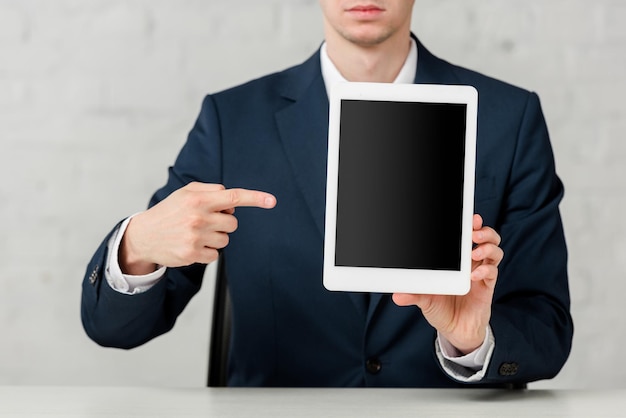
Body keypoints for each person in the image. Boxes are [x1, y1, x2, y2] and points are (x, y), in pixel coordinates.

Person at [81, 0, 573, 387]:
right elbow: (115, 328)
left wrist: (472, 343)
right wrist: (137, 245)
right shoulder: (233, 122)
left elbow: (546, 328)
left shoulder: (509, 118)